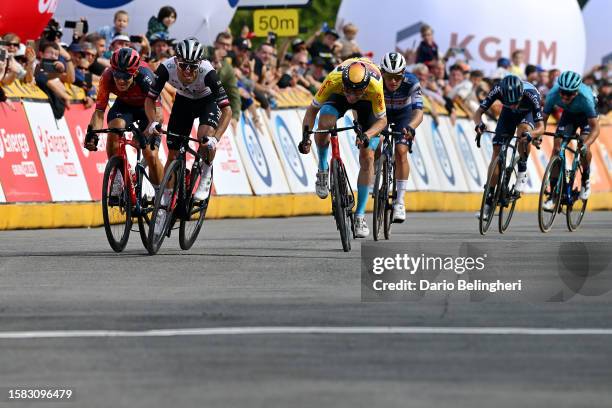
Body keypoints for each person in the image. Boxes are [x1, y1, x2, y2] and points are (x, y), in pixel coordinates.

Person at [145, 37, 232, 236]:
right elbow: (150, 100)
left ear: (199, 64)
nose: (187, 71)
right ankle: (164, 205)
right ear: (176, 61)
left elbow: (227, 111)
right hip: (183, 101)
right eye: (183, 65)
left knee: (204, 137)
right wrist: (153, 121)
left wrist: (215, 139)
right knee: (173, 154)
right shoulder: (165, 68)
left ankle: (206, 171)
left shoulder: (208, 72)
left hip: (206, 101)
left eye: (193, 67)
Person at [299, 57, 387, 238]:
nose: (351, 95)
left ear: (364, 86)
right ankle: (323, 168)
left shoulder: (375, 86)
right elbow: (311, 111)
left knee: (367, 155)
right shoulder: (334, 79)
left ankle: (360, 215)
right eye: (349, 89)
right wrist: (305, 137)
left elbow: (382, 120)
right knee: (325, 121)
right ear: (344, 82)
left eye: (356, 91)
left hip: (367, 103)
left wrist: (367, 135)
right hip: (336, 96)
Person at [84, 48, 164, 200]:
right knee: (115, 129)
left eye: (126, 76)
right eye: (117, 75)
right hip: (125, 106)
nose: (120, 80)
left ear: (134, 73)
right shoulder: (107, 76)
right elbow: (99, 111)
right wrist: (92, 133)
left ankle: (162, 194)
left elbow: (158, 116)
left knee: (150, 154)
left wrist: (145, 134)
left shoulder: (146, 77)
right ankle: (118, 176)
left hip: (149, 109)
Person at [473, 74, 544, 219]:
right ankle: (488, 200)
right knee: (497, 152)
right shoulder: (497, 89)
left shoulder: (532, 94)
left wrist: (532, 135)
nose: (513, 105)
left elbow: (541, 127)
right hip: (507, 115)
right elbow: (478, 112)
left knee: (523, 133)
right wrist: (478, 124)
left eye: (515, 102)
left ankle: (522, 171)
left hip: (527, 114)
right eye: (509, 102)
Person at [540, 71, 600, 209]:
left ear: (577, 91)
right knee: (556, 149)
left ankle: (585, 179)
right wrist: (538, 136)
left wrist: (587, 144)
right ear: (559, 89)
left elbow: (595, 129)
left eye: (570, 93)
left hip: (586, 116)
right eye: (563, 92)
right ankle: (553, 195)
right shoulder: (553, 94)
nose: (566, 96)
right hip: (568, 115)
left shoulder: (586, 98)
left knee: (584, 146)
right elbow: (543, 119)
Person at [379, 52, 424, 222]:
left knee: (400, 150)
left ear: (403, 74)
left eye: (397, 77)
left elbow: (419, 112)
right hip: (381, 113)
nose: (392, 82)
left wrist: (411, 127)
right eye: (389, 77)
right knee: (375, 142)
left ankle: (399, 201)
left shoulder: (412, 82)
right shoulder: (375, 80)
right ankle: (376, 169)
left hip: (403, 116)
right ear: (382, 73)